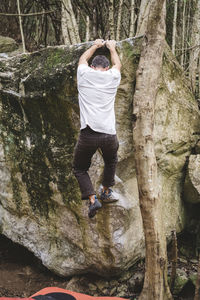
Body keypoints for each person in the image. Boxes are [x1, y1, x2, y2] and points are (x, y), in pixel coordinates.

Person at [73, 39, 121, 218]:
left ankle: (93, 199)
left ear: (92, 67)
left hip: (88, 134)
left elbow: (82, 60)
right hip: (109, 134)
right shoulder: (113, 77)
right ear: (106, 68)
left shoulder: (84, 74)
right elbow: (117, 63)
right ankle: (106, 190)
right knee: (111, 161)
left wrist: (94, 45)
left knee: (79, 168)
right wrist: (112, 47)